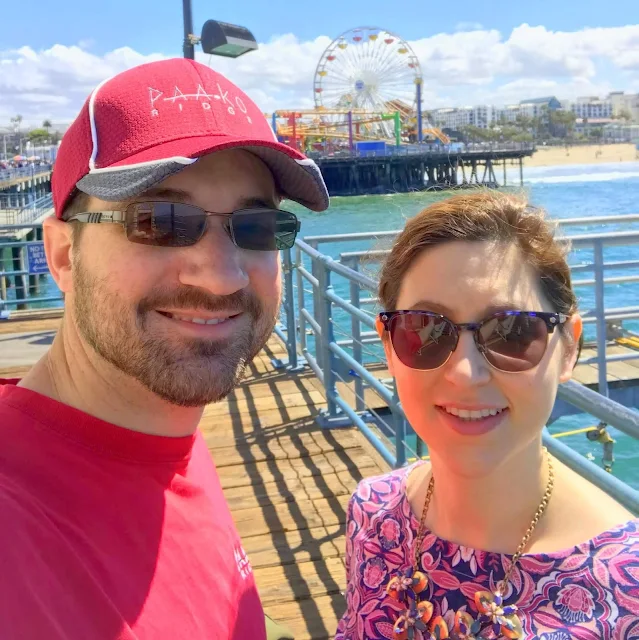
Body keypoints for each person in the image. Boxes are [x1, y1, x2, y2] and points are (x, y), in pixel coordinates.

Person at [0, 58, 329, 639]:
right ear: (63, 255)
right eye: (160, 221)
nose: (222, 278)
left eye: (256, 229)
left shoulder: (168, 432)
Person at [335, 191, 639, 639]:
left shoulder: (626, 587)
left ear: (568, 347)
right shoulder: (373, 515)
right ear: (388, 344)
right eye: (425, 329)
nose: (465, 372)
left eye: (513, 331)